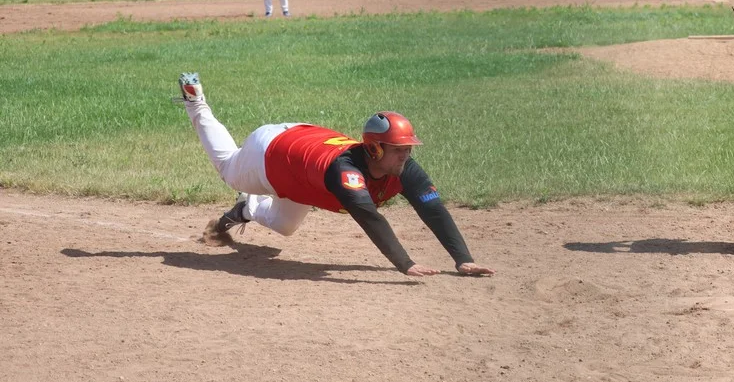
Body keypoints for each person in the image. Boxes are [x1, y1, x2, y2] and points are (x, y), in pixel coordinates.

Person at [175, 72, 496, 278]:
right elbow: (369, 217)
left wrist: (462, 259)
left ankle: (246, 209)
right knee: (229, 170)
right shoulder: (346, 173)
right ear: (374, 149)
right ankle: (196, 103)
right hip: (270, 153)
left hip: (302, 164)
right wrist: (405, 264)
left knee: (285, 228)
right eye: (399, 149)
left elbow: (433, 209)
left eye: (408, 148)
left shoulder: (404, 168)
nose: (407, 155)